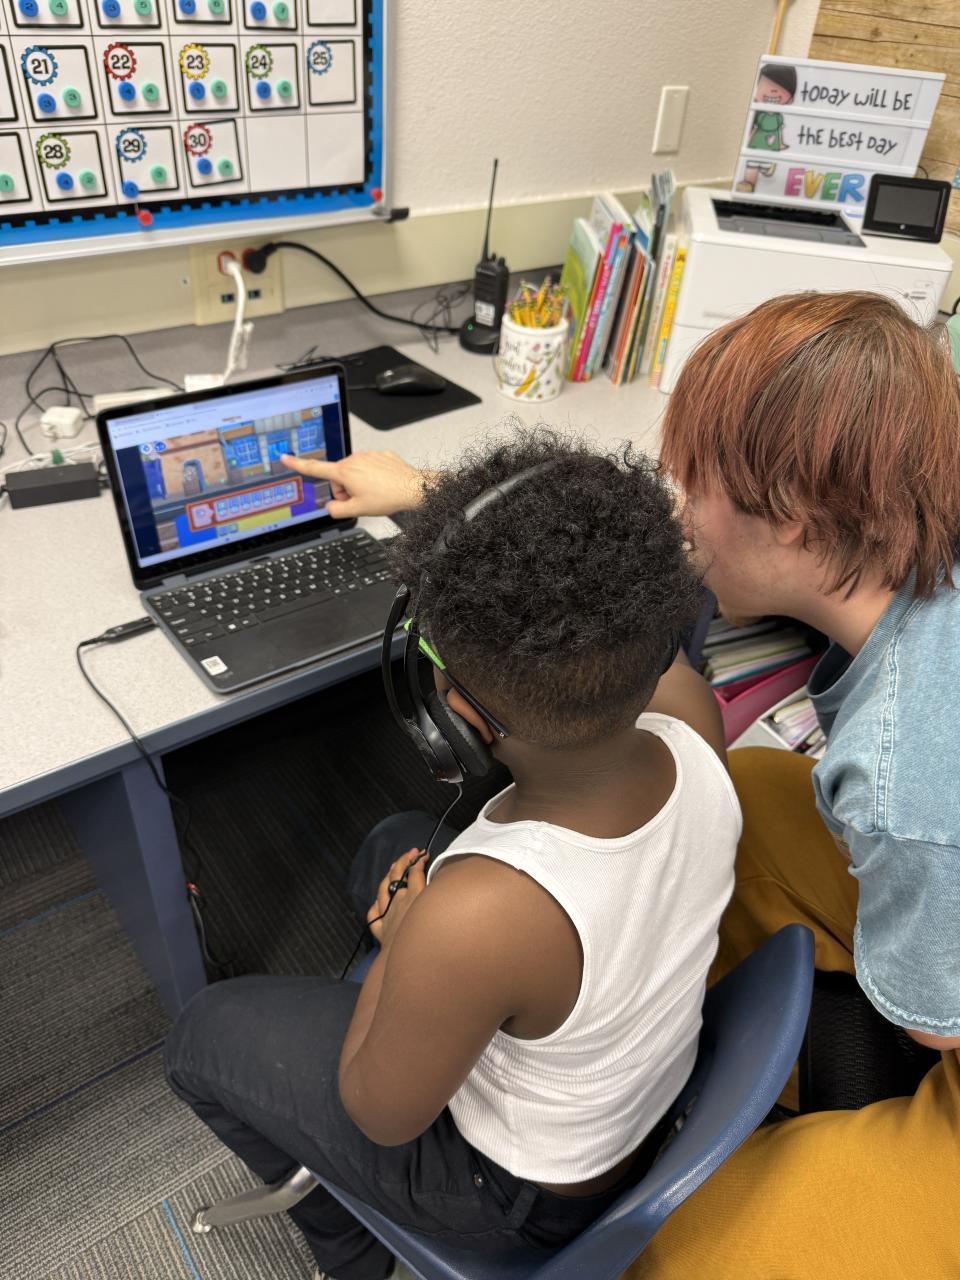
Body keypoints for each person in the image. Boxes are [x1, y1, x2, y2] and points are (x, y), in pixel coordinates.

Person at [284, 290, 960, 1277]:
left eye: (692, 486)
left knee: (676, 1259)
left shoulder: (904, 785)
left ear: (797, 518)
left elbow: (932, 1020)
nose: (671, 514)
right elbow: (613, 554)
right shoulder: (918, 508)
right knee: (754, 782)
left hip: (943, 1024)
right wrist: (442, 499)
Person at [164, 431, 741, 1280]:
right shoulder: (692, 713)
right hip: (633, 1090)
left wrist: (409, 940)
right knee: (392, 842)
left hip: (519, 1197)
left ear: (454, 721)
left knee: (200, 1035)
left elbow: (379, 1114)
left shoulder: (473, 915)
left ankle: (348, 1241)